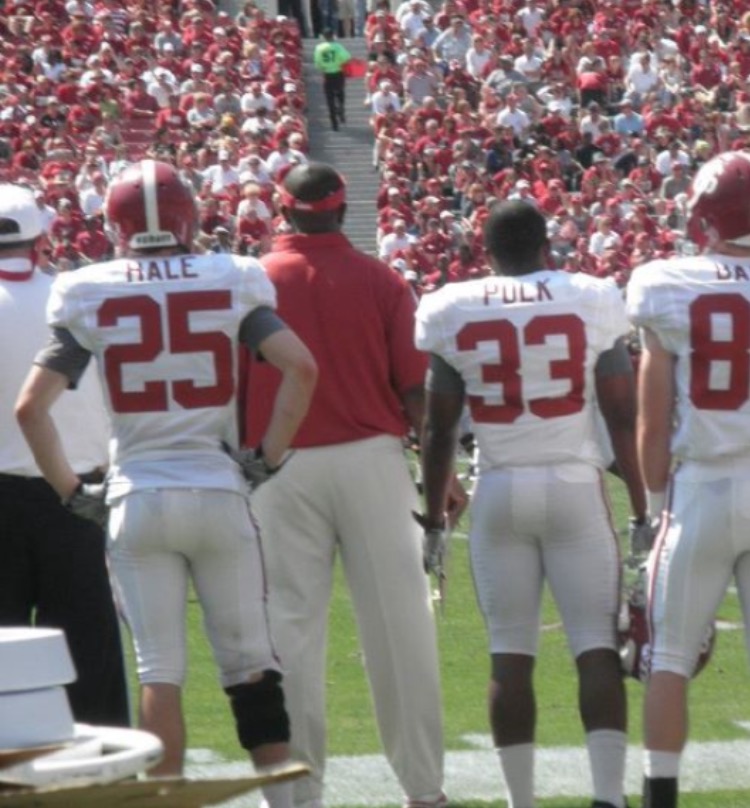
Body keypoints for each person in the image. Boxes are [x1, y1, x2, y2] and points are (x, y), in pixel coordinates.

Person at [15, 160, 318, 808]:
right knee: (250, 667)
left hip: (138, 497)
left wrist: (71, 491)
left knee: (160, 671)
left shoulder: (87, 288)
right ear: (190, 215)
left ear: (114, 223)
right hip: (217, 491)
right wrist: (265, 455)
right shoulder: (231, 277)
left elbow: (30, 410)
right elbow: (301, 369)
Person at [242, 162, 463, 808]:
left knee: (288, 634)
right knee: (401, 630)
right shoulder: (382, 279)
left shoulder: (252, 282)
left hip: (278, 466)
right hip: (372, 460)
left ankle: (294, 794)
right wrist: (441, 477)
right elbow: (416, 391)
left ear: (283, 213)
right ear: (341, 212)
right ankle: (424, 788)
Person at [415, 200, 647, 808]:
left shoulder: (450, 306)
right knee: (595, 646)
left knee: (510, 655)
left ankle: (522, 803)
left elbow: (437, 430)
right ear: (547, 245)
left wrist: (435, 518)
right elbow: (622, 415)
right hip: (574, 486)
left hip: (499, 488)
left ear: (484, 250)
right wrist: (645, 507)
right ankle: (608, 797)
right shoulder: (591, 295)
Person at [626, 150, 750, 808]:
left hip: (700, 488)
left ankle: (661, 798)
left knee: (669, 655)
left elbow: (651, 421)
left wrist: (648, 512)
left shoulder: (666, 282)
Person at [0, 182, 129, 729]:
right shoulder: (77, 299)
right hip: (76, 491)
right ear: (43, 238)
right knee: (89, 657)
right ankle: (102, 773)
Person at [313, 29, 351, 131]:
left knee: (329, 99)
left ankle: (334, 123)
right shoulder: (337, 46)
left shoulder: (319, 48)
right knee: (340, 93)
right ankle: (341, 107)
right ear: (333, 36)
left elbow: (317, 63)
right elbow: (346, 57)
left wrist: (324, 67)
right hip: (338, 72)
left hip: (327, 74)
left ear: (323, 37)